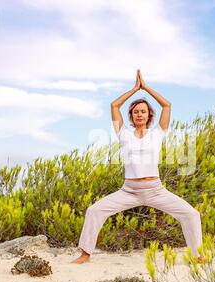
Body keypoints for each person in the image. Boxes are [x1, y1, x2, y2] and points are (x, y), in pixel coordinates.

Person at [71, 69, 203, 264]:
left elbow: (166, 105)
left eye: (143, 111)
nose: (139, 114)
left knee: (191, 214)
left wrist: (146, 87)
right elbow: (114, 105)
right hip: (129, 191)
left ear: (149, 115)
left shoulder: (158, 132)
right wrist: (135, 89)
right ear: (131, 116)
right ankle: (85, 254)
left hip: (156, 190)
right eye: (135, 112)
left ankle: (197, 256)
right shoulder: (123, 133)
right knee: (94, 211)